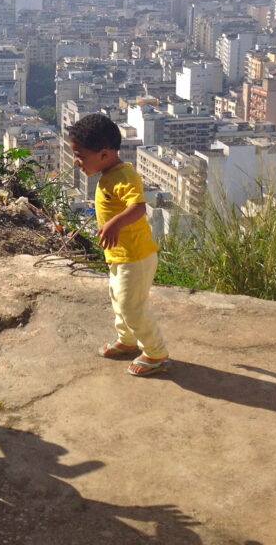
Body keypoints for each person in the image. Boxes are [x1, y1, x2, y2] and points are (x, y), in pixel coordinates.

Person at [66, 113, 170, 377]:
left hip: (135, 256)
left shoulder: (124, 175)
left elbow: (138, 207)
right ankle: (127, 340)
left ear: (104, 154)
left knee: (132, 306)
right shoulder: (108, 173)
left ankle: (156, 352)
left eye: (80, 155)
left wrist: (114, 224)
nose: (77, 162)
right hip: (120, 256)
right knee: (118, 300)